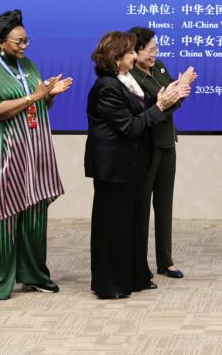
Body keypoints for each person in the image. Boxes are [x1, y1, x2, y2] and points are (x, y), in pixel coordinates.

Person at [0, 9, 73, 300]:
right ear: (1, 42)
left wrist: (48, 96)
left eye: (27, 40)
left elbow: (37, 108)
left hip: (32, 155)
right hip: (0, 157)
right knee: (0, 220)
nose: (24, 45)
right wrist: (33, 97)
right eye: (19, 41)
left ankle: (33, 276)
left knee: (35, 218)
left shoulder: (29, 65)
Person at [85, 31, 186, 299]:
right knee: (113, 227)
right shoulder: (107, 87)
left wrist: (168, 98)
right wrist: (159, 107)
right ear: (115, 57)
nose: (134, 57)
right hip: (114, 167)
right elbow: (130, 126)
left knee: (131, 225)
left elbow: (144, 112)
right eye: (130, 52)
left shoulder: (126, 81)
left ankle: (134, 277)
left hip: (132, 165)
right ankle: (112, 284)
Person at [128, 26, 195, 279]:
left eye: (156, 49)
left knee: (165, 205)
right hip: (145, 146)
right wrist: (177, 93)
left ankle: (165, 261)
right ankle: (138, 262)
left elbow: (172, 101)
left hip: (167, 142)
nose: (154, 54)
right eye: (149, 50)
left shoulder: (160, 67)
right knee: (141, 206)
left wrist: (181, 89)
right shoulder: (130, 77)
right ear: (135, 51)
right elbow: (155, 106)